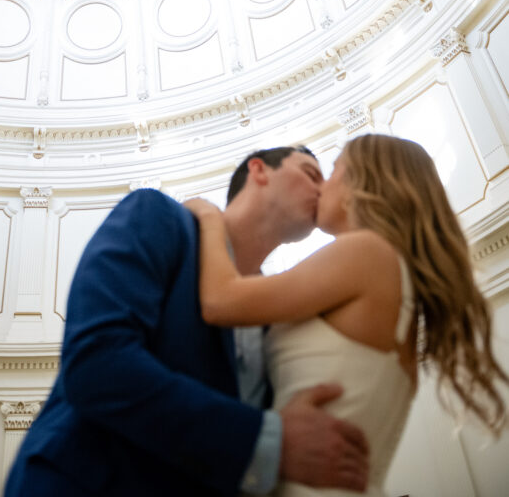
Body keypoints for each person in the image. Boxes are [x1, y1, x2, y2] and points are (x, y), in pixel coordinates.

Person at [4, 145, 369, 497]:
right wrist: (266, 439)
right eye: (310, 174)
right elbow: (96, 364)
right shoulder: (157, 215)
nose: (322, 190)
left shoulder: (277, 312)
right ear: (258, 170)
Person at [186, 134, 508, 497]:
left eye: (333, 170)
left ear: (361, 181)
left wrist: (209, 216)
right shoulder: (388, 269)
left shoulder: (365, 253)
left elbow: (220, 300)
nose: (322, 186)